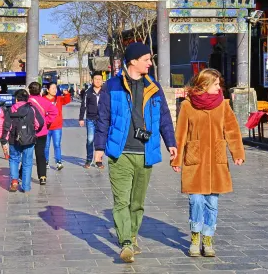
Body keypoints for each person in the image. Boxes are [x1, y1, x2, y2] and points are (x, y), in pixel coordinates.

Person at [94, 42, 177, 264]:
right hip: (120, 153)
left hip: (145, 152)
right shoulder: (112, 86)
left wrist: (171, 142)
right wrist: (99, 148)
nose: (150, 63)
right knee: (121, 201)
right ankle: (126, 243)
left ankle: (131, 235)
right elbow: (103, 119)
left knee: (137, 202)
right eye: (146, 59)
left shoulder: (154, 86)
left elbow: (164, 117)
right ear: (133, 61)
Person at [171, 68, 245, 258]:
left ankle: (208, 238)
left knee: (212, 202)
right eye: (216, 84)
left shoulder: (223, 105)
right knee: (195, 200)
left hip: (215, 161)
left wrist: (237, 153)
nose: (219, 87)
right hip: (194, 160)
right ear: (204, 85)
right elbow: (180, 134)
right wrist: (176, 158)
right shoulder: (187, 105)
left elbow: (232, 130)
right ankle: (195, 236)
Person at [0, 89, 44, 192]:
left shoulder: (11, 110)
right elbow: (40, 123)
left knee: (14, 159)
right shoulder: (32, 109)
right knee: (27, 162)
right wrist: (33, 131)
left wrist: (4, 139)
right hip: (29, 140)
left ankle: (14, 181)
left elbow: (7, 126)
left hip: (13, 139)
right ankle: (26, 186)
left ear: (16, 99)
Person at [28, 82, 57, 185]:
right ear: (40, 90)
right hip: (42, 131)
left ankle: (22, 174)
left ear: (29, 90)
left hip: (28, 132)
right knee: (40, 154)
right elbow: (54, 112)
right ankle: (42, 176)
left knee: (27, 153)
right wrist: (46, 121)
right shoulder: (45, 101)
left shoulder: (27, 101)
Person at [79, 72, 105, 168]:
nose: (98, 81)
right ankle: (89, 159)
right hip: (90, 119)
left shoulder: (105, 92)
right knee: (90, 139)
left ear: (102, 81)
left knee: (100, 140)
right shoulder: (88, 92)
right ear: (92, 80)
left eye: (99, 79)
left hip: (102, 120)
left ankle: (98, 160)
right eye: (96, 79)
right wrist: (81, 118)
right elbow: (83, 105)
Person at [43, 83, 65, 171]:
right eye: (52, 88)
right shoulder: (43, 99)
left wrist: (67, 94)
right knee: (46, 146)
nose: (54, 90)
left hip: (57, 126)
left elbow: (67, 100)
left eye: (55, 88)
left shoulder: (59, 99)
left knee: (57, 145)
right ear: (48, 90)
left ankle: (58, 162)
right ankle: (46, 162)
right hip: (46, 127)